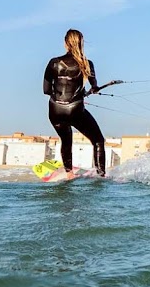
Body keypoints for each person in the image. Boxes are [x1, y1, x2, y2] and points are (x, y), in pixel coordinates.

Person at [43, 29, 106, 177]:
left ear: (66, 44)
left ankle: (69, 173)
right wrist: (88, 91)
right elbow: (94, 87)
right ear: (81, 43)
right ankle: (101, 175)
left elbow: (46, 90)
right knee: (98, 141)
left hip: (56, 109)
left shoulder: (53, 63)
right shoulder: (87, 63)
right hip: (75, 110)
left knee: (66, 140)